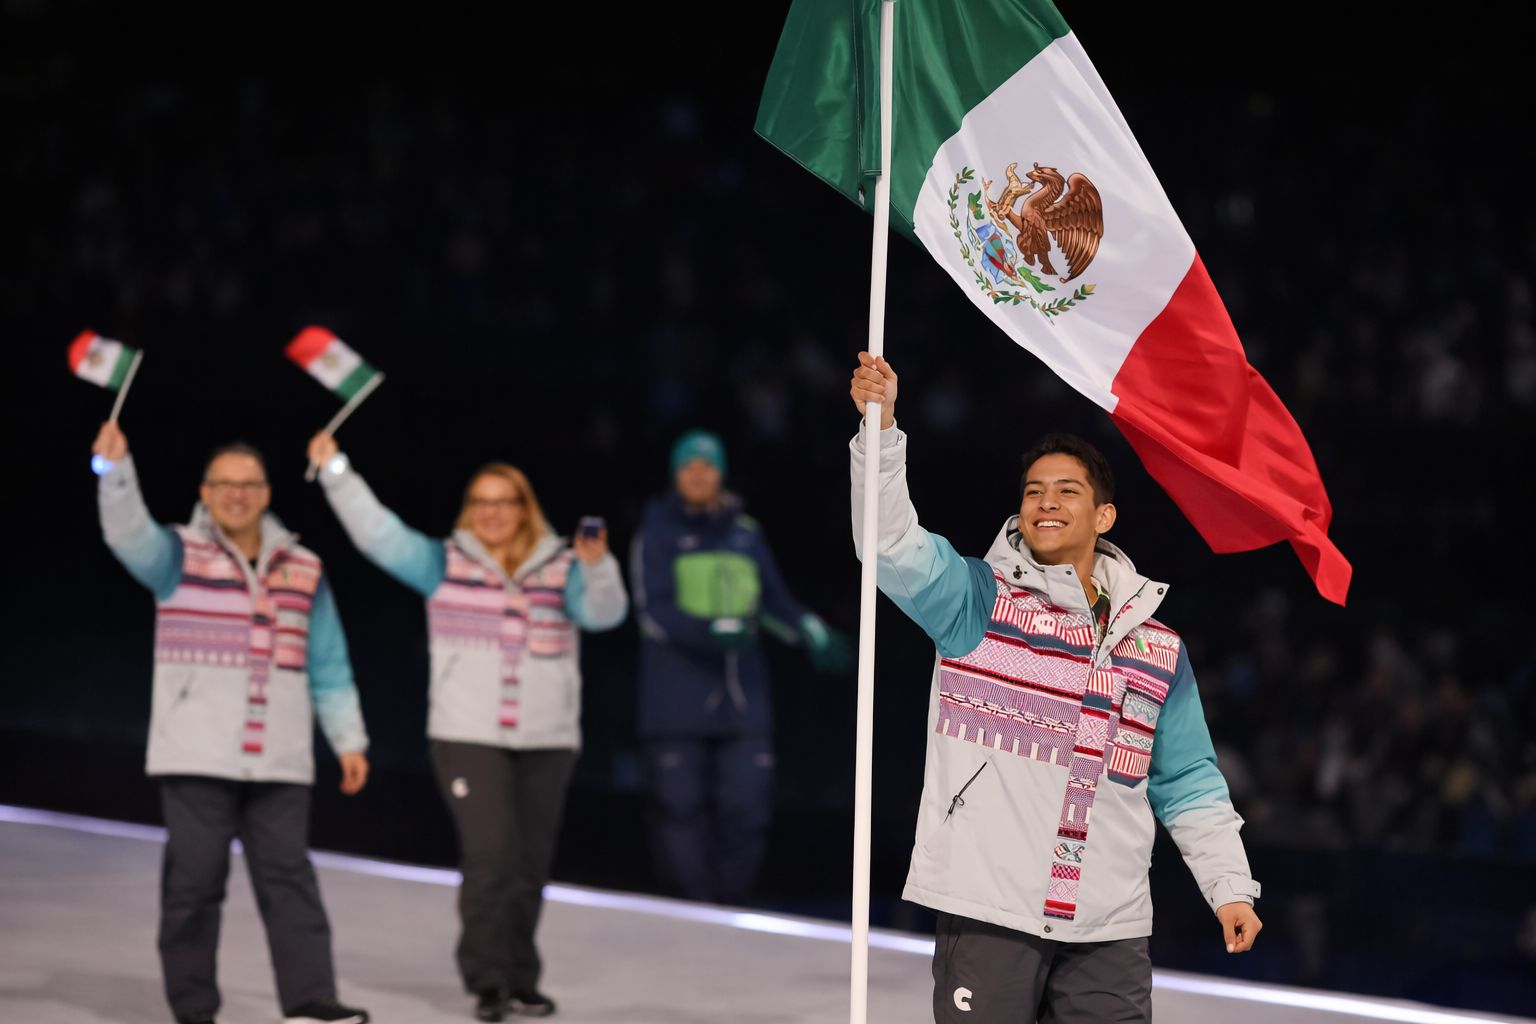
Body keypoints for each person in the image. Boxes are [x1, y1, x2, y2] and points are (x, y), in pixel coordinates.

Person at [847, 353, 1263, 1024]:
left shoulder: (1156, 649)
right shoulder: (976, 601)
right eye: (1034, 490)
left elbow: (1188, 780)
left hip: (1111, 924)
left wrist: (1229, 889)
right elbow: (888, 543)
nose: (1046, 502)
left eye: (1067, 490)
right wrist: (882, 428)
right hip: (990, 909)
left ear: (1104, 516)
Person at [307, 431, 627, 1022]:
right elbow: (376, 532)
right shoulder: (442, 563)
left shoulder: (563, 565)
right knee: (490, 856)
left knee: (529, 864)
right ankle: (487, 981)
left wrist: (597, 565)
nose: (491, 513)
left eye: (503, 501)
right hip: (466, 736)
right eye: (481, 502)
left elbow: (604, 614)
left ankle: (521, 976)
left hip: (548, 738)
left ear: (524, 508)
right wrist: (336, 471)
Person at [92, 421, 371, 1024]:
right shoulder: (174, 556)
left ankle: (311, 999)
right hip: (197, 753)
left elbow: (328, 663)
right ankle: (194, 1009)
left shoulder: (304, 567)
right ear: (205, 492)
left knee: (289, 880)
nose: (236, 495)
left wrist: (347, 740)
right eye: (224, 485)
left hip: (280, 755)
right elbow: (125, 533)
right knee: (193, 884)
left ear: (268, 493)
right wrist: (115, 472)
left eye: (248, 485)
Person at [630, 428, 850, 906]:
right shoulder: (658, 530)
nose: (698, 474)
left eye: (707, 466)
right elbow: (652, 609)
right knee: (679, 808)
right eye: (689, 465)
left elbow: (772, 601)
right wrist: (707, 630)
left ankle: (728, 907)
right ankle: (694, 908)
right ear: (675, 473)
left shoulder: (744, 533)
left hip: (743, 699)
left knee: (746, 809)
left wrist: (810, 628)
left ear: (720, 473)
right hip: (677, 697)